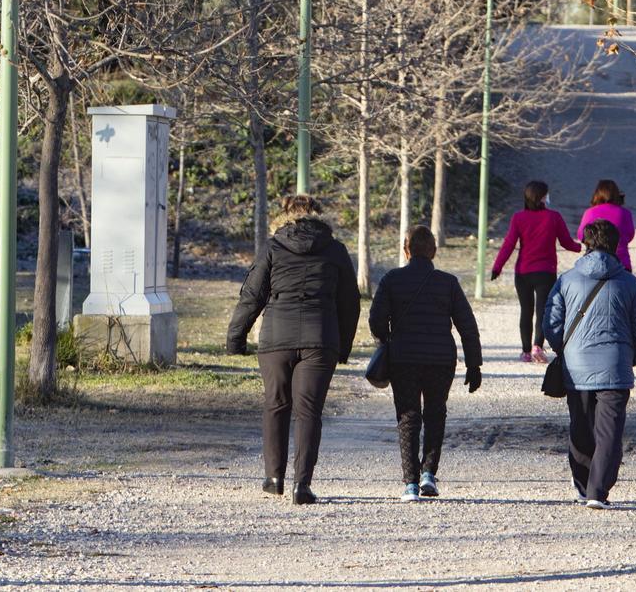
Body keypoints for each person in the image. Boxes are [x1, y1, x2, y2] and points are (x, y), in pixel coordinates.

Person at [225, 195, 360, 506]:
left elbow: (252, 295)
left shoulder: (273, 247)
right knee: (309, 411)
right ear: (319, 216)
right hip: (320, 337)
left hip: (276, 339)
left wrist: (236, 339)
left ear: (285, 215)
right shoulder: (336, 250)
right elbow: (349, 303)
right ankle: (302, 484)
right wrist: (342, 346)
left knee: (276, 404)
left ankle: (274, 477)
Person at [544, 219, 636, 509]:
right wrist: (634, 355)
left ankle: (582, 485)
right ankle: (598, 491)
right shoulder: (630, 282)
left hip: (576, 366)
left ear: (585, 244)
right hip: (615, 366)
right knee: (609, 434)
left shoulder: (566, 280)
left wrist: (563, 350)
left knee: (580, 427)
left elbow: (551, 322)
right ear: (616, 245)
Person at [370, 226, 483, 502]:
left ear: (406, 250)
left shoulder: (392, 279)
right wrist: (473, 365)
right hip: (440, 360)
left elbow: (375, 319)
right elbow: (467, 326)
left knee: (408, 417)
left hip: (403, 358)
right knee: (435, 414)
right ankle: (428, 474)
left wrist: (388, 338)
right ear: (433, 251)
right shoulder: (448, 283)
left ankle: (410, 483)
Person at [490, 180, 581, 364]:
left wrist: (497, 267)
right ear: (542, 197)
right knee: (542, 311)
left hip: (523, 272)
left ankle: (525, 351)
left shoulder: (518, 218)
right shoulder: (553, 217)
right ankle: (537, 347)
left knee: (526, 310)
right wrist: (582, 247)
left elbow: (509, 244)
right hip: (545, 272)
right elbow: (566, 242)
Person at [576, 179, 636, 272]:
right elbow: (630, 235)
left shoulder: (590, 212)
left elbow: (581, 236)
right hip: (621, 262)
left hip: (594, 262)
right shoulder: (625, 213)